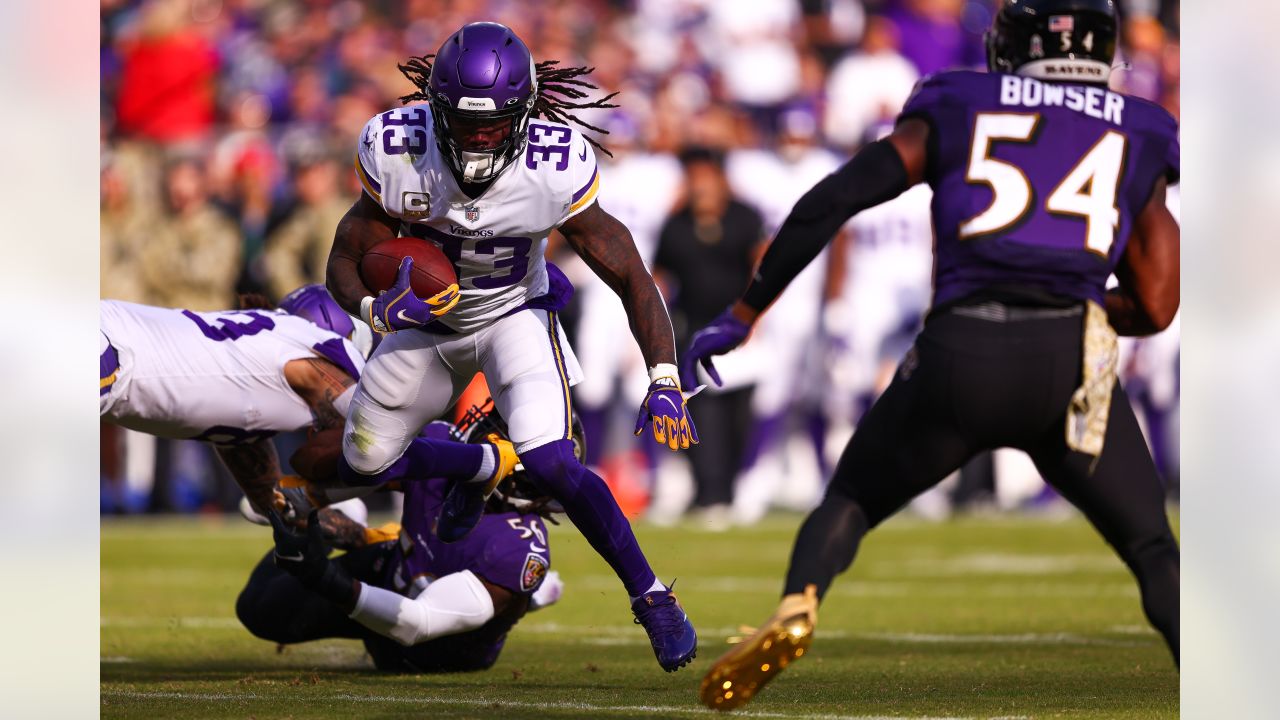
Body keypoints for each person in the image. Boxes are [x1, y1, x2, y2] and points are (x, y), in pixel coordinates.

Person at [683, 0, 1180, 709]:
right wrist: (1076, 302)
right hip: (1070, 356)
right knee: (1154, 551)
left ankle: (799, 601)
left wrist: (745, 311)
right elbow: (1159, 304)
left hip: (961, 350)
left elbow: (835, 198)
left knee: (850, 500)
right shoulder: (1141, 126)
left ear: (1013, 45)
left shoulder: (959, 100)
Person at [323, 22, 697, 672]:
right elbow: (347, 252)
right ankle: (476, 466)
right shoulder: (398, 148)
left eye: (493, 125)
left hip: (511, 315)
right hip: (421, 327)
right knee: (361, 462)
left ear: (523, 113)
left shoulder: (554, 166)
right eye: (465, 125)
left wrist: (663, 374)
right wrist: (371, 306)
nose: (477, 140)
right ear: (437, 111)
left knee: (552, 461)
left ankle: (652, 595)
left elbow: (629, 271)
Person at [237, 404, 565, 673]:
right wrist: (338, 462)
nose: (475, 429)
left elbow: (416, 625)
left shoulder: (516, 548)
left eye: (496, 435)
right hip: (395, 567)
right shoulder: (444, 444)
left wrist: (324, 577)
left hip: (434, 649)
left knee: (408, 641)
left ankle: (529, 594)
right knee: (259, 610)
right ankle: (355, 528)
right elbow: (318, 461)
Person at [100, 285, 372, 517]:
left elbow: (276, 506)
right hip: (107, 352)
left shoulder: (252, 377)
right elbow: (382, 445)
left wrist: (354, 537)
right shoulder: (312, 359)